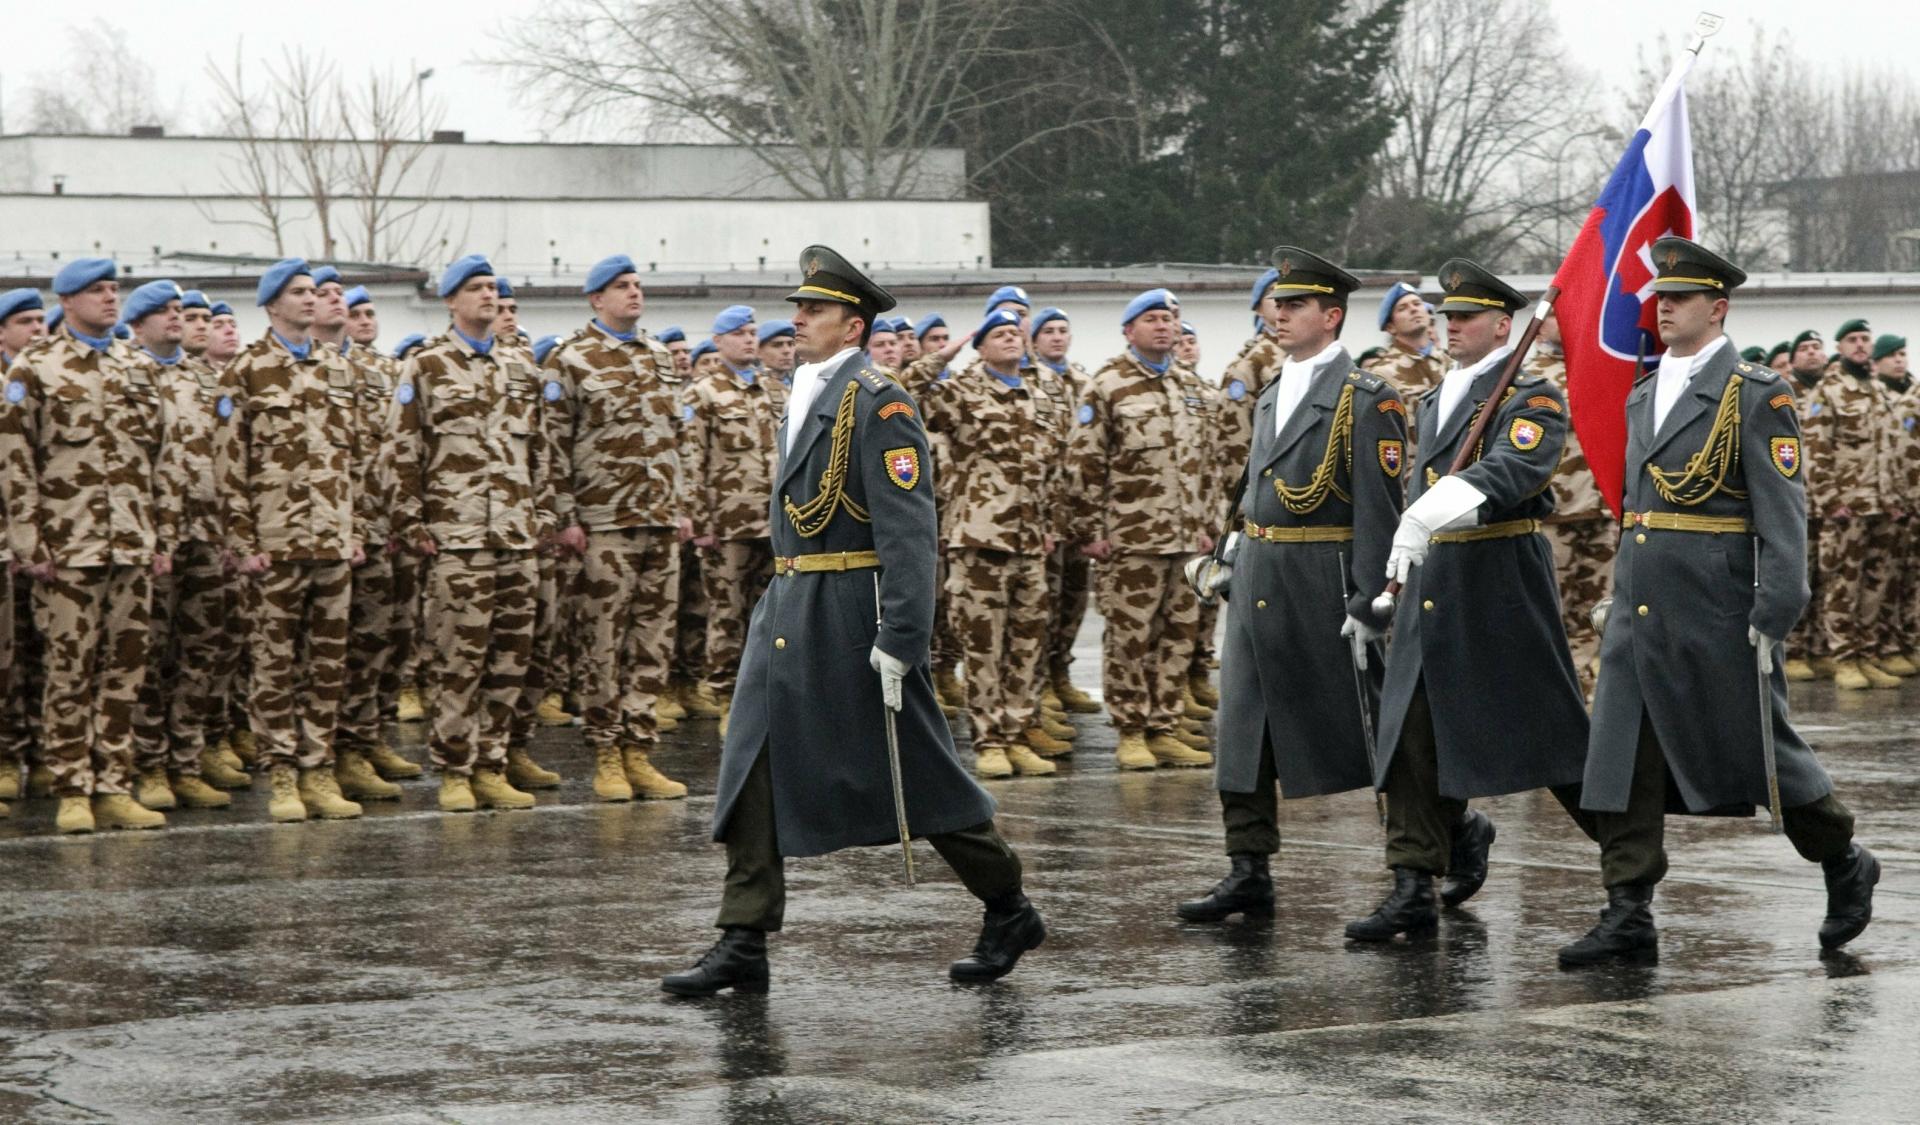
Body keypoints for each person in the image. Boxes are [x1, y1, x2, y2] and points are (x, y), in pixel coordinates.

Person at [661, 245, 1045, 995]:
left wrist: (902, 636)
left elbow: (908, 529)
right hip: (791, 603)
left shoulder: (880, 400)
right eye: (797, 306)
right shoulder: (805, 390)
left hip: (852, 610)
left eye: (813, 310)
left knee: (920, 776)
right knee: (751, 763)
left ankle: (1008, 904)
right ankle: (743, 937)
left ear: (853, 325)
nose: (796, 318)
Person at [1562, 237, 1879, 965]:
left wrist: (1776, 609)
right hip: (1642, 604)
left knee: (1763, 754)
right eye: (1659, 298)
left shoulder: (1755, 392)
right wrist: (1620, 592)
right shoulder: (1644, 390)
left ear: (1718, 306)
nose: (1663, 307)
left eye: (1678, 298)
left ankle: (1843, 858)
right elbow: (1640, 507)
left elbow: (1782, 510)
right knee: (1621, 758)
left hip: (1717, 605)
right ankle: (1628, 907)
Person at [1351, 259, 1592, 942]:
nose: (1450, 325)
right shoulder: (1432, 399)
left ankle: (1629, 873)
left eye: (1465, 317)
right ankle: (1410, 885)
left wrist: (1439, 506)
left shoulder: (1530, 393)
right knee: (1409, 734)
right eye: (1446, 315)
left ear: (1503, 326)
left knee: (1553, 739)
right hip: (1435, 582)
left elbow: (1518, 467)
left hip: (1500, 576)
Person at [1178, 248, 1405, 923]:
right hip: (1262, 575)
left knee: (1368, 729)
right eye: (1278, 302)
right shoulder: (1275, 389)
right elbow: (1257, 486)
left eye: (1297, 303)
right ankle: (1248, 866)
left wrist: (1372, 598)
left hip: (1326, 580)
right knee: (1243, 725)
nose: (1280, 312)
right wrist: (1230, 547)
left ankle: (1442, 840)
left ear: (1332, 316)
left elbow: (1379, 506)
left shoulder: (1367, 396)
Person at [1, 259, 173, 833]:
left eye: (113, 289)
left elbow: (160, 459)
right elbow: (16, 463)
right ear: (67, 300)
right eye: (97, 291)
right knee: (68, 671)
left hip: (130, 543)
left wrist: (160, 535)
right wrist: (30, 542)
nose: (109, 298)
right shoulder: (36, 369)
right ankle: (73, 787)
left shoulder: (135, 365)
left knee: (125, 671)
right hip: (67, 548)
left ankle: (114, 784)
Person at [392, 255, 557, 812]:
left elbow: (540, 452)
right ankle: (455, 769)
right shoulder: (426, 367)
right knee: (459, 659)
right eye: (476, 288)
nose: (489, 296)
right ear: (450, 300)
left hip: (516, 537)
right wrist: (413, 524)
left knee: (511, 657)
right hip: (456, 540)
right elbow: (404, 453)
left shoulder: (520, 368)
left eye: (493, 287)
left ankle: (492, 762)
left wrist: (544, 516)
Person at [218, 260, 367, 822]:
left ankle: (319, 768)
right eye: (298, 293)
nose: (311, 300)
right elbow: (229, 463)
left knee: (329, 665)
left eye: (313, 292)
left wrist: (354, 530)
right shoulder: (247, 370)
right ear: (272, 305)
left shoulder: (336, 368)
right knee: (274, 663)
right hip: (274, 542)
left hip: (331, 539)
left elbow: (352, 458)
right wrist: (242, 538)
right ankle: (281, 772)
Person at [542, 254, 690, 802]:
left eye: (637, 285)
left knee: (652, 641)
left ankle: (639, 750)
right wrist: (565, 517)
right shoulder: (570, 359)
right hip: (604, 522)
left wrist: (683, 503)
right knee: (602, 642)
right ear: (595, 299)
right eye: (621, 287)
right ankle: (606, 751)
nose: (634, 293)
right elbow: (553, 444)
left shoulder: (657, 355)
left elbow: (678, 437)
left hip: (658, 518)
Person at [905, 310, 1066, 778]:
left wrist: (1050, 523)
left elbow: (1052, 469)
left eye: (1016, 332)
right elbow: (905, 395)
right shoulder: (962, 392)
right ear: (980, 347)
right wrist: (940, 356)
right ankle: (990, 740)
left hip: (1029, 543)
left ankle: (1017, 736)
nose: (1011, 338)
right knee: (983, 649)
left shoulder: (1041, 396)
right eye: (998, 334)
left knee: (1026, 647)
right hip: (979, 541)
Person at [1065, 288, 1215, 771]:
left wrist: (1209, 525)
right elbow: (1083, 463)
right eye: (1151, 319)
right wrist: (1088, 530)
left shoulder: (1188, 385)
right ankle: (1131, 730)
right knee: (1130, 638)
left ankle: (1165, 726)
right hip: (1131, 539)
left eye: (1170, 318)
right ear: (1129, 330)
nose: (1164, 326)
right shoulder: (1108, 385)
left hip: (1186, 539)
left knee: (1179, 636)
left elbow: (1205, 463)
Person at [123, 281, 244, 811]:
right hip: (150, 539)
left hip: (205, 534)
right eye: (165, 312)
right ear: (138, 322)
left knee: (202, 653)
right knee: (149, 655)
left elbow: (228, 455)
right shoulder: (127, 372)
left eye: (180, 311)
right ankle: (147, 766)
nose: (177, 318)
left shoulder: (204, 379)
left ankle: (187, 762)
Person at [684, 307, 790, 736]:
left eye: (751, 333)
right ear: (719, 340)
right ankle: (728, 699)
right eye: (739, 334)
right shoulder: (703, 393)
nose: (749, 340)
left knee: (773, 617)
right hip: (727, 526)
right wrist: (699, 520)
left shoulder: (774, 391)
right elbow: (693, 459)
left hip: (774, 524)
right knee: (727, 615)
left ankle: (767, 696)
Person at [1802, 318, 1903, 690]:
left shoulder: (1876, 390)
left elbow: (1890, 449)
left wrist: (1894, 498)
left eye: (1865, 339)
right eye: (1853, 340)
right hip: (1847, 507)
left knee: (1876, 585)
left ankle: (1868, 654)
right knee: (1842, 586)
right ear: (1840, 347)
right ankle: (1843, 658)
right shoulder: (1829, 392)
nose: (1860, 346)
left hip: (1880, 503)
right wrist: (1830, 501)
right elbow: (1815, 450)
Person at [1528, 309, 1614, 695]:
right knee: (1554, 603)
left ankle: (1583, 675)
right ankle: (1555, 681)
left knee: (1598, 604)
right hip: (1556, 508)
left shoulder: (1599, 367)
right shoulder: (1528, 375)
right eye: (1556, 318)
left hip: (1601, 505)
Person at [1029, 307, 1100, 716]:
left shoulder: (1084, 382)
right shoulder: (1031, 381)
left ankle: (1061, 674)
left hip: (1080, 511)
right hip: (1046, 514)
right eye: (1048, 331)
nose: (1057, 337)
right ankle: (1040, 685)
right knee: (1045, 603)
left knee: (1074, 600)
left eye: (1062, 331)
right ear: (1034, 339)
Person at [1870, 334, 1919, 674]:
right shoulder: (1875, 396)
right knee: (1884, 577)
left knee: (1911, 578)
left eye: (1902, 354)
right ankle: (1884, 646)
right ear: (1876, 363)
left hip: (1914, 499)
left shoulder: (1915, 394)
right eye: (1891, 355)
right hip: (1889, 499)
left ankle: (1909, 641)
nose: (1899, 360)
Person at [1363, 280, 1447, 397]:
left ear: (1428, 314)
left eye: (1417, 303)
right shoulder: (1380, 374)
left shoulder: (1451, 363)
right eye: (1402, 308)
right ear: (1391, 327)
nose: (1413, 309)